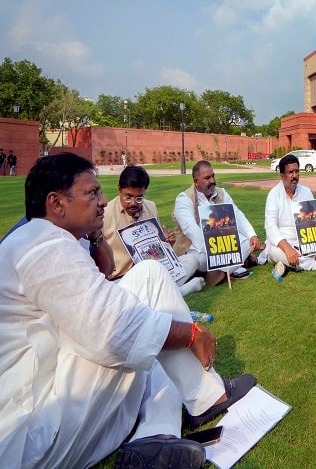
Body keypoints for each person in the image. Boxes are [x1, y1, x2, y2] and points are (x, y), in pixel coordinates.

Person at [0, 153, 256, 468]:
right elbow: (110, 330)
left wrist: (93, 235)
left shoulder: (55, 235)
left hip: (56, 380)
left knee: (150, 278)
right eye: (92, 193)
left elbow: (105, 271)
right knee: (140, 334)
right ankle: (181, 413)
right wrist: (190, 333)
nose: (103, 200)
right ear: (56, 203)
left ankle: (176, 419)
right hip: (32, 421)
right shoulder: (42, 246)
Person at [103, 165, 205, 295]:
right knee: (120, 292)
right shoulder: (105, 215)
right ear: (119, 189)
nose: (134, 203)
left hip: (154, 271)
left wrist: (167, 244)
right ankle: (179, 291)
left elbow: (159, 252)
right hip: (122, 278)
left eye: (139, 198)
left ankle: (159, 292)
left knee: (191, 261)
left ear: (144, 192)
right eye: (128, 197)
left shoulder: (150, 207)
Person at [173, 160, 263, 286]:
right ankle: (232, 264)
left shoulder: (221, 193)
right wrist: (213, 250)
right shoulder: (184, 198)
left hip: (222, 245)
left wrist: (251, 234)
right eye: (207, 178)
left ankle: (218, 273)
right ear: (196, 181)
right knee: (198, 259)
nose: (212, 181)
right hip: (197, 249)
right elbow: (190, 228)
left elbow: (236, 214)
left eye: (213, 176)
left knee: (248, 243)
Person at [265, 153, 316, 275]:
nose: (294, 176)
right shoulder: (273, 195)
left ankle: (293, 264)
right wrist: (287, 249)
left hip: (306, 241)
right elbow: (271, 227)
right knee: (273, 251)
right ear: (282, 175)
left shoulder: (306, 192)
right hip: (284, 242)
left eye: (297, 171)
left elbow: (314, 222)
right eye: (290, 172)